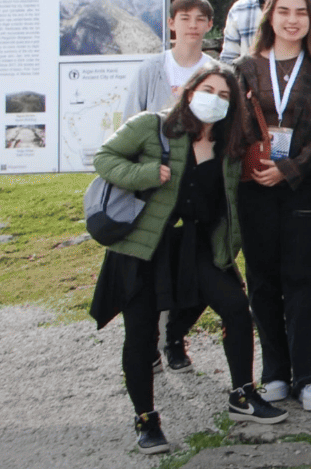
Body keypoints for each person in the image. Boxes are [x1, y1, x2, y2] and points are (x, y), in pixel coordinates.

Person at [93, 66, 286, 455]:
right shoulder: (152, 126)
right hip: (145, 246)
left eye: (225, 95)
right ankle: (146, 418)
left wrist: (228, 248)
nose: (214, 98)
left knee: (235, 308)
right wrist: (146, 173)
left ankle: (242, 394)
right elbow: (104, 158)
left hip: (197, 245)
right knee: (141, 333)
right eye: (208, 89)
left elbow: (227, 202)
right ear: (189, 90)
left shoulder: (228, 146)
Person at [235, 0, 311, 410]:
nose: (293, 19)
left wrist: (289, 168)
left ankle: (309, 373)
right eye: (284, 12)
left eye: (301, 12)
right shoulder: (245, 67)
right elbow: (240, 123)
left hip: (304, 185)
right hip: (255, 185)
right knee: (262, 281)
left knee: (303, 277)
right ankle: (275, 371)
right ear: (270, 18)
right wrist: (265, 168)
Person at [127, 0, 218, 119]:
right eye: (185, 18)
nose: (193, 25)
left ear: (209, 25)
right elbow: (129, 122)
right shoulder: (150, 69)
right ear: (171, 23)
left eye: (200, 19)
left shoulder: (216, 72)